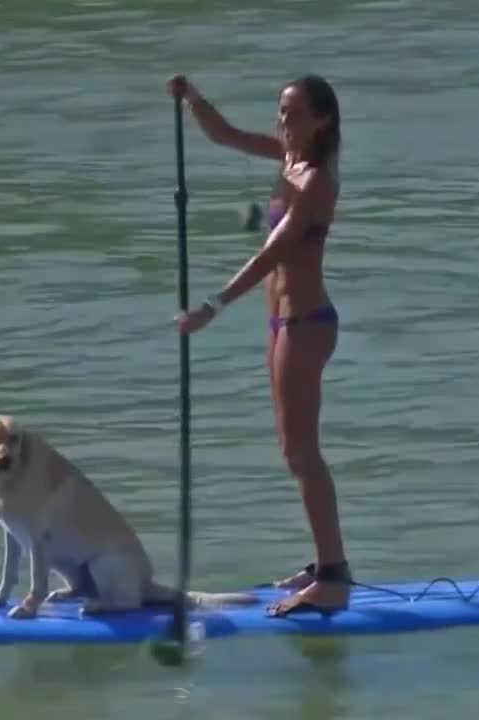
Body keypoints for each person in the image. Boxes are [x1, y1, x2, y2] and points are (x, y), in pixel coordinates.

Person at [168, 73, 352, 617]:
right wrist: (193, 98)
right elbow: (223, 135)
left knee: (303, 451)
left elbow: (273, 252)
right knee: (291, 451)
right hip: (280, 325)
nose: (282, 122)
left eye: (293, 113)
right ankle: (323, 563)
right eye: (280, 111)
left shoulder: (317, 180)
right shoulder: (285, 159)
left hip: (308, 324)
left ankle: (335, 578)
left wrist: (213, 305)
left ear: (322, 120)